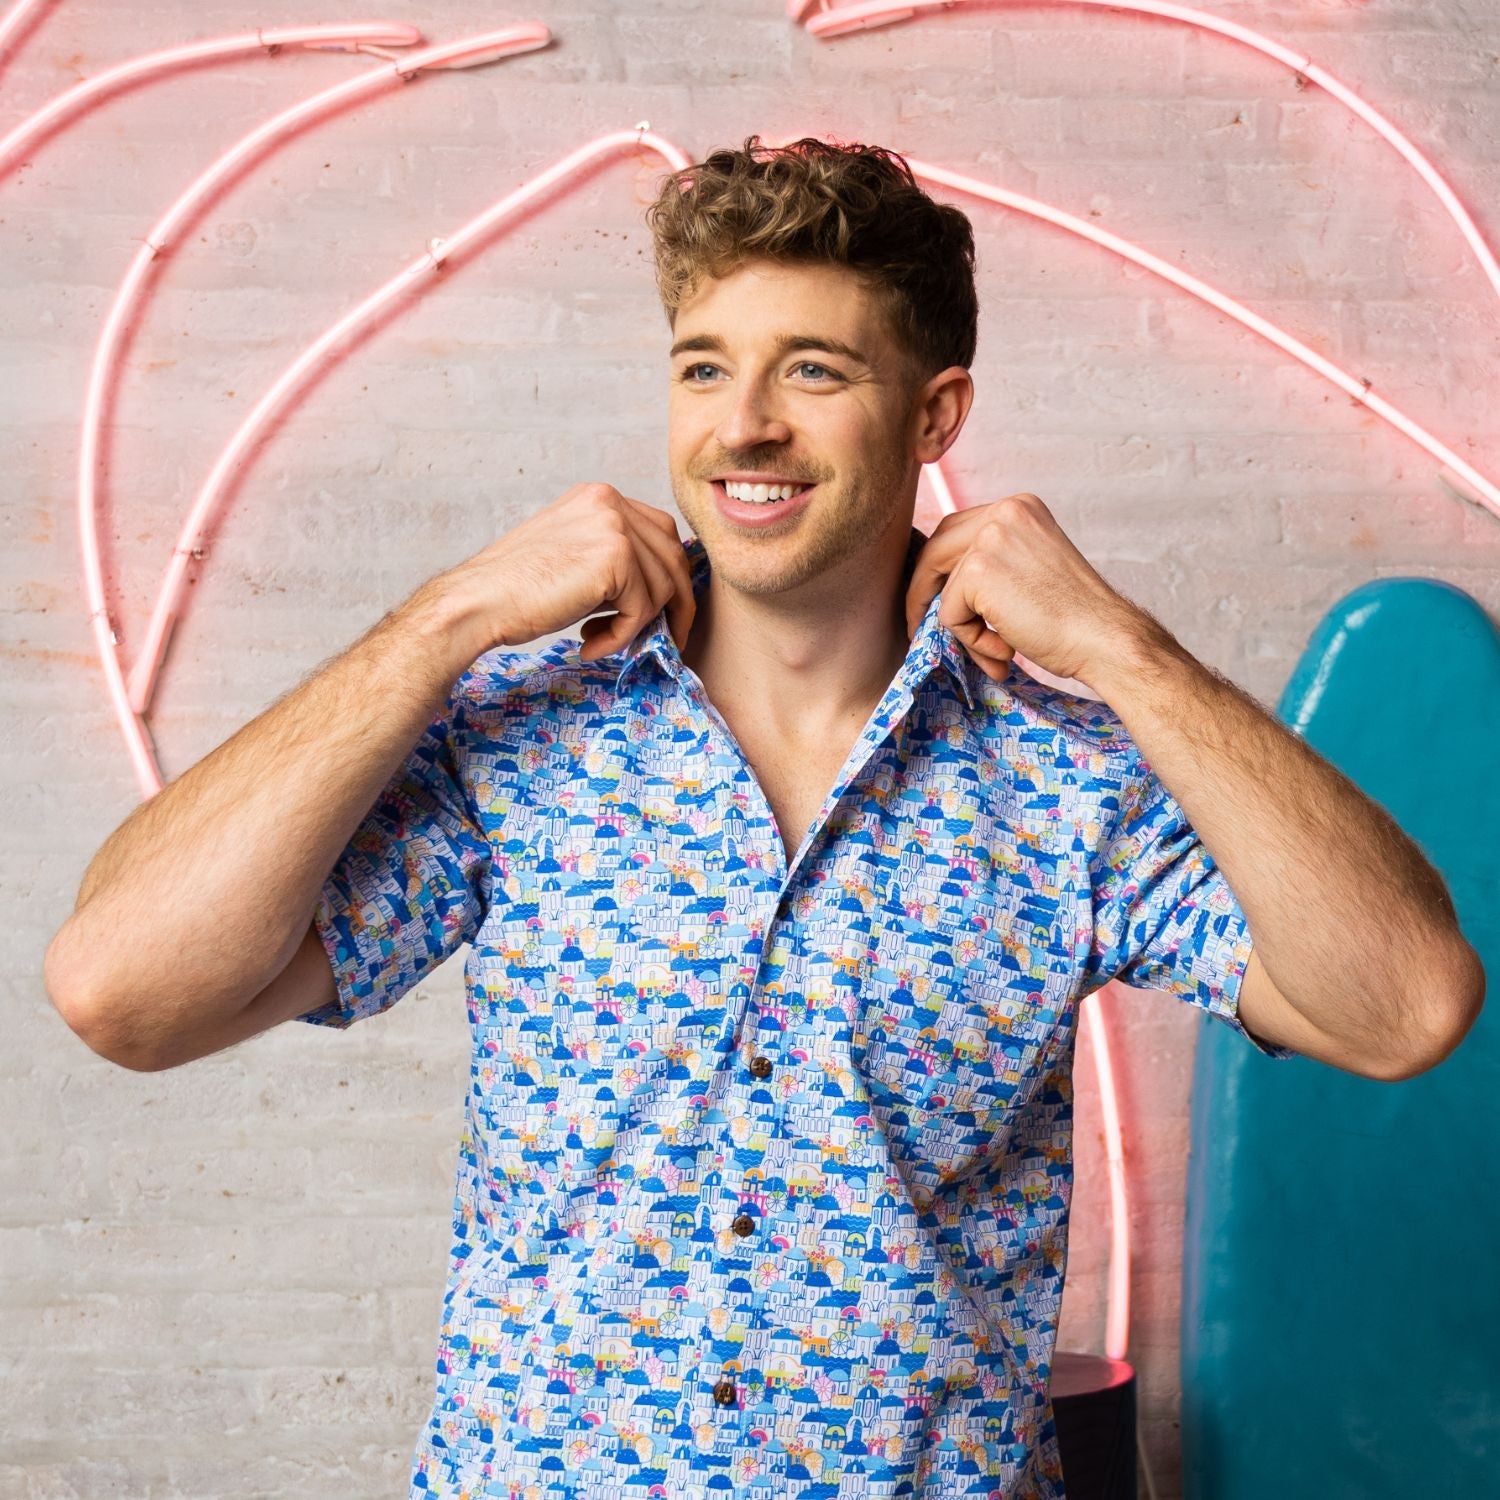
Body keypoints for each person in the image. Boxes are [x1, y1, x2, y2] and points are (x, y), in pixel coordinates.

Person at [47, 135, 1482, 1498]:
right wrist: (449, 620)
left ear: (936, 417)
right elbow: (123, 991)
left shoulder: (1067, 782)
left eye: (811, 370)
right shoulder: (524, 741)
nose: (743, 425)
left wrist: (1122, 646)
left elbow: (1406, 1006)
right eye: (703, 369)